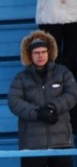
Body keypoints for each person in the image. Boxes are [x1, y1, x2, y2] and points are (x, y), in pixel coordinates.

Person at [8, 30, 77, 167]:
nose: (40, 55)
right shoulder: (20, 78)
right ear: (30, 55)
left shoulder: (63, 73)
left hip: (61, 143)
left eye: (43, 51)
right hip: (31, 144)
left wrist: (54, 108)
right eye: (36, 52)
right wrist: (37, 113)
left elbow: (72, 94)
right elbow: (14, 102)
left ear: (50, 53)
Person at [37, 0, 77, 128]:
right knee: (50, 68)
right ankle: (53, 116)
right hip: (50, 12)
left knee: (72, 69)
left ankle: (72, 119)